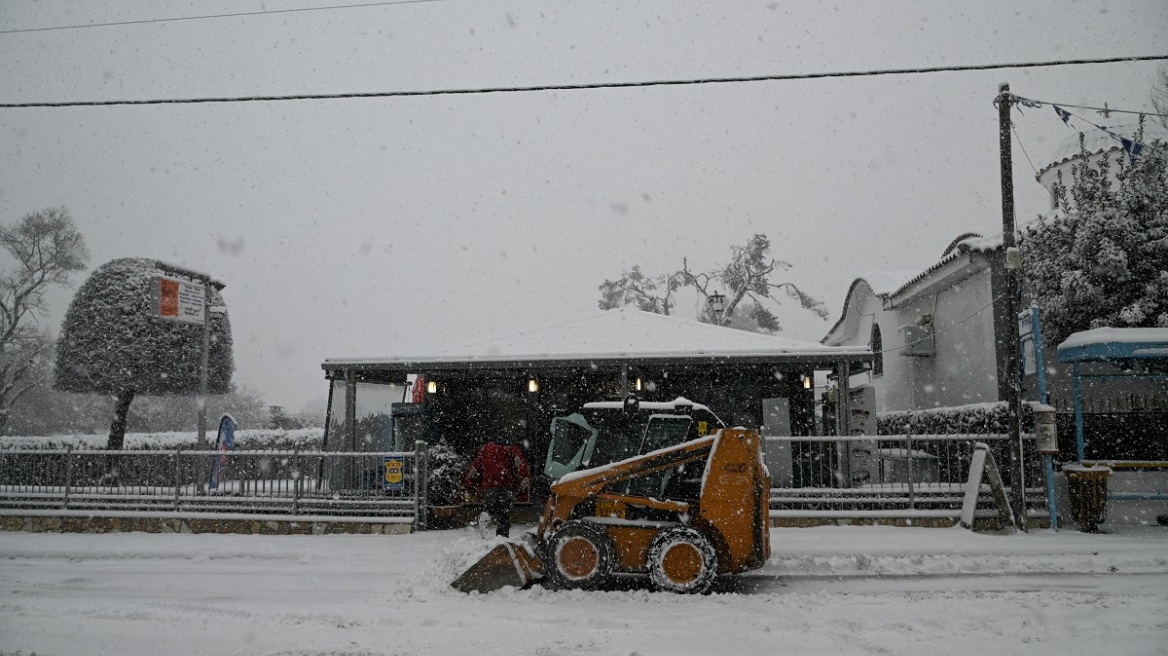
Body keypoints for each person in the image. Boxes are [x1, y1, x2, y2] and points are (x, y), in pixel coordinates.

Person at [463, 435, 530, 537]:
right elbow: (520, 464)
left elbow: (474, 469)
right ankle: (502, 538)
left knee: (490, 507)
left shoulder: (485, 449)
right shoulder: (512, 449)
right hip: (507, 486)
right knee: (504, 514)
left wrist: (469, 486)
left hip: (488, 487)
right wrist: (524, 476)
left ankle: (486, 516)